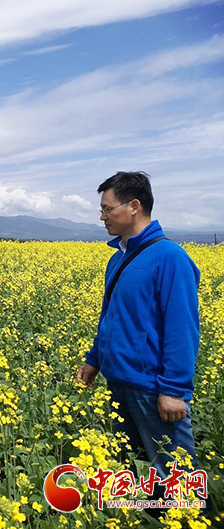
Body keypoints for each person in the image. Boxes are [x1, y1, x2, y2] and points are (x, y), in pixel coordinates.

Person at [76, 171, 201, 496]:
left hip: (153, 389)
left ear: (134, 206)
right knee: (132, 476)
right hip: (118, 383)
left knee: (177, 483)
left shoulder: (170, 258)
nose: (102, 217)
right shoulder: (118, 259)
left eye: (107, 209)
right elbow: (111, 318)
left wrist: (174, 389)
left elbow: (182, 328)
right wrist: (94, 360)